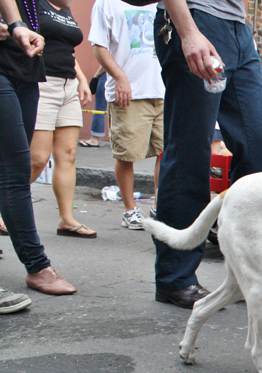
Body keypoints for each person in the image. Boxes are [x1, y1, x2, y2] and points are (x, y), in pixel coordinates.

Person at [152, 0, 262, 308]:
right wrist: (188, 31)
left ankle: (256, 274)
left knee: (259, 155)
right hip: (196, 18)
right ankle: (175, 278)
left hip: (238, 28)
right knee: (190, 152)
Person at [0, 0, 77, 300]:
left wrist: (23, 27)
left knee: (8, 171)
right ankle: (38, 266)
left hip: (26, 67)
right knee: (17, 170)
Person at [89, 0, 163, 232]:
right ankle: (130, 210)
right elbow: (99, 46)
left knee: (167, 152)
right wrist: (120, 78)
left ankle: (160, 207)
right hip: (129, 91)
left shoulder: (163, 3)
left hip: (164, 89)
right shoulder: (106, 3)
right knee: (126, 154)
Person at [29, 0, 96, 238]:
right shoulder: (32, 4)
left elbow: (67, 50)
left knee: (68, 155)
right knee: (37, 158)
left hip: (68, 85)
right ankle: (5, 209)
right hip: (41, 81)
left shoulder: (65, 9)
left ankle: (66, 219)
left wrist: (82, 80)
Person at [79, 68, 106, 147]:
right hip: (126, 76)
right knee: (120, 109)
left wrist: (95, 76)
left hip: (107, 76)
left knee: (99, 108)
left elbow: (104, 64)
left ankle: (94, 139)